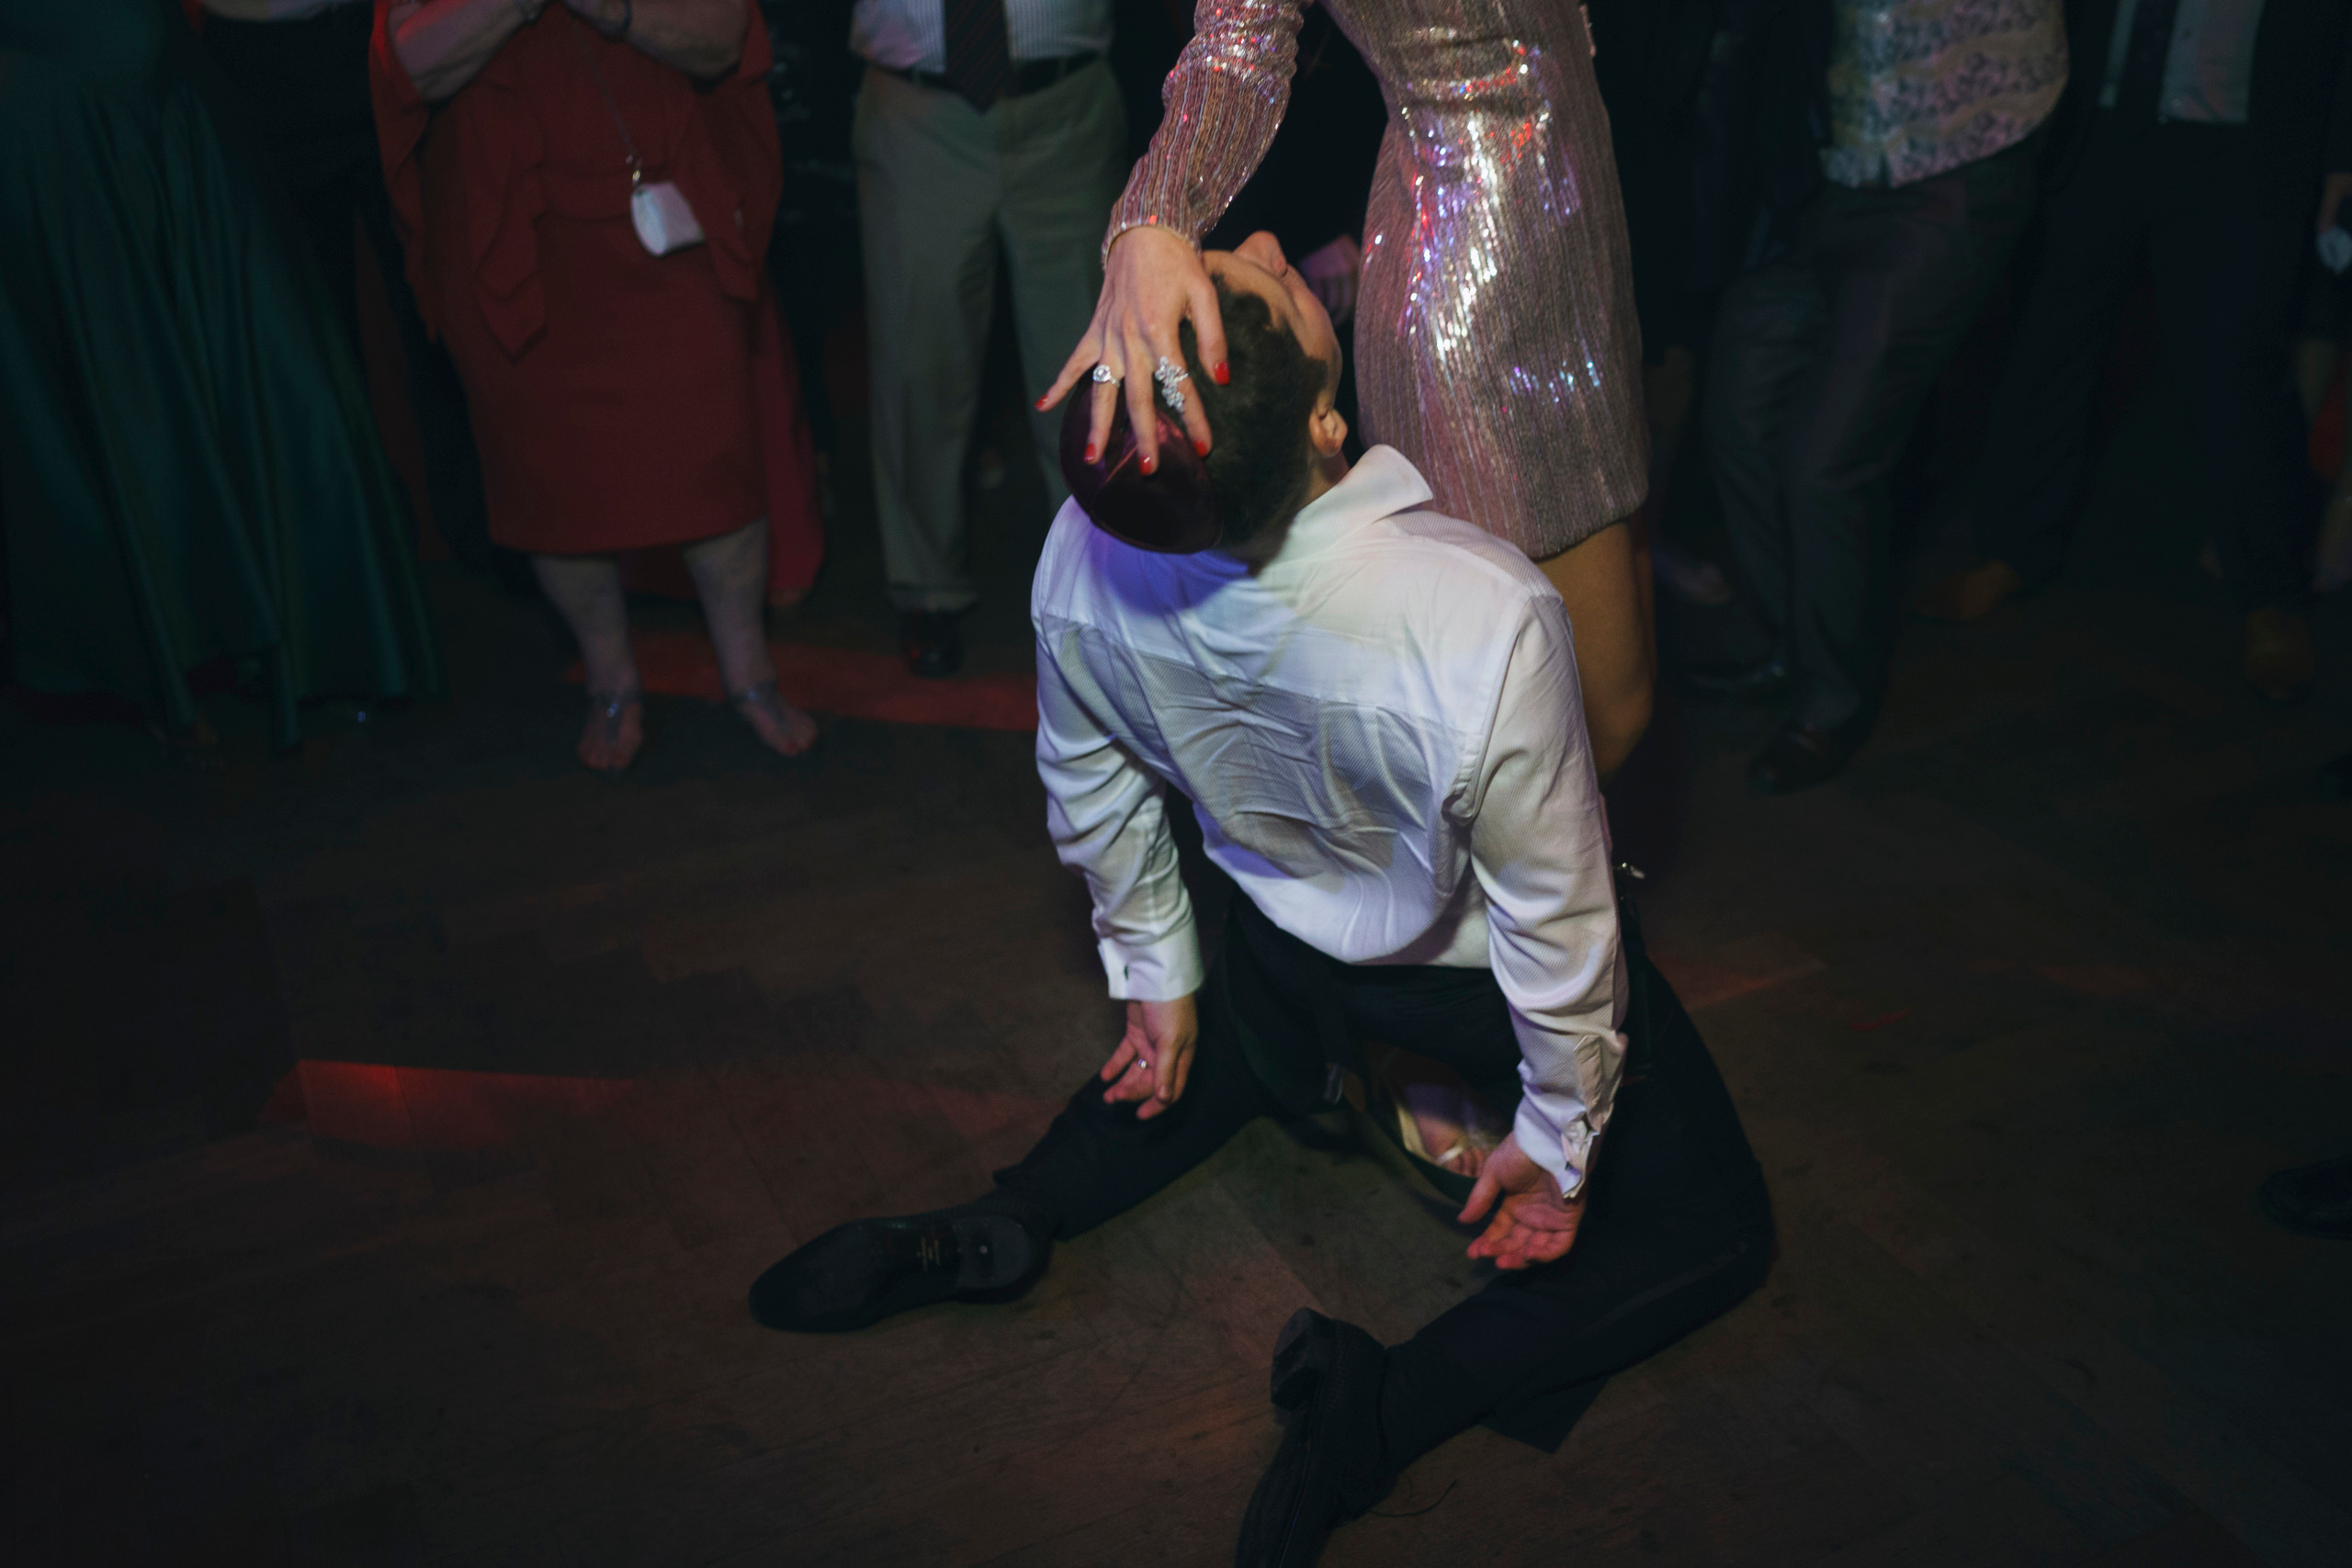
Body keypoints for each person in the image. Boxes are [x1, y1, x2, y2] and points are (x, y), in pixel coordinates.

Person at [751, 236, 1775, 1566]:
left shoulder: (1088, 540)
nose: (1266, 244)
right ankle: (1382, 1406)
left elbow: (1091, 780)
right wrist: (1561, 1136)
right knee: (1717, 1225)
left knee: (1205, 1048)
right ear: (1325, 420)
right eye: (1270, 284)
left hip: (1272, 963)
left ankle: (1016, 1210)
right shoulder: (1485, 613)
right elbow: (1556, 920)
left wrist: (1154, 978)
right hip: (1451, 988)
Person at [1039, 0, 1658, 781]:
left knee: (1609, 674)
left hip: (1578, 230)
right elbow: (1241, 39)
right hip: (1481, 285)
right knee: (1595, 717)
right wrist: (1155, 218)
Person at [371, 0, 819, 771]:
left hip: (659, 196)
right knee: (553, 479)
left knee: (714, 445)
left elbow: (722, 37)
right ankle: (611, 683)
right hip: (512, 222)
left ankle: (750, 674)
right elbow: (408, 60)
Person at [0, 0, 441, 750]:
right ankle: (164, 665)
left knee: (262, 354)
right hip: (47, 107)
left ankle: (314, 637)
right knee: (118, 391)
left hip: (162, 85)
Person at [1917, 0, 2352, 705]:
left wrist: (2343, 160)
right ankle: (2011, 550)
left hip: (2241, 143)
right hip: (2098, 122)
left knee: (2237, 368)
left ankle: (2269, 595)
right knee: (2047, 341)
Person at [1696, 0, 2066, 794]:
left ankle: (1832, 701)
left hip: (1953, 169)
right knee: (1740, 395)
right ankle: (1792, 644)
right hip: (1829, 172)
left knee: (1824, 458)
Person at [849, 0, 1133, 677]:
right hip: (918, 108)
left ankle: (1103, 590)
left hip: (1067, 101)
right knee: (919, 362)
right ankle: (925, 585)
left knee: (1090, 363)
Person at [198, 0, 494, 577]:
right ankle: (365, 550)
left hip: (386, 30)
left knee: (440, 299)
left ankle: (487, 525)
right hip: (259, 57)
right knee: (311, 328)